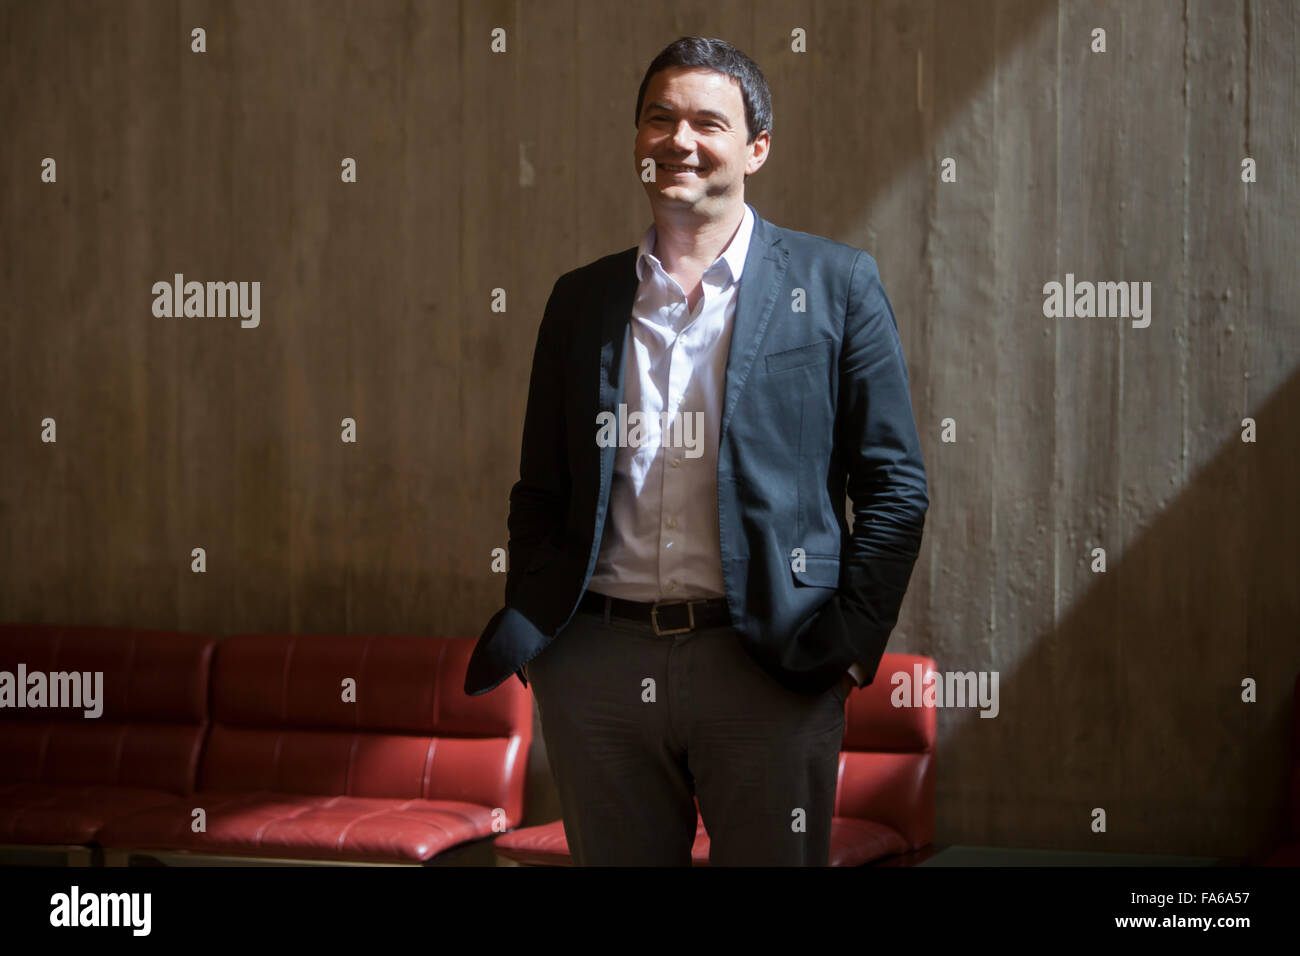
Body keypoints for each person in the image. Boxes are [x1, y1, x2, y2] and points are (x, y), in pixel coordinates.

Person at [465, 36, 929, 866]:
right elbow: (541, 488)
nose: (679, 140)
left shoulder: (836, 284)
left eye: (707, 123)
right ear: (637, 141)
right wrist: (555, 658)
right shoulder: (581, 301)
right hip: (598, 665)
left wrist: (847, 655)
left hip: (768, 667)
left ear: (755, 148)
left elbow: (894, 488)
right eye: (659, 119)